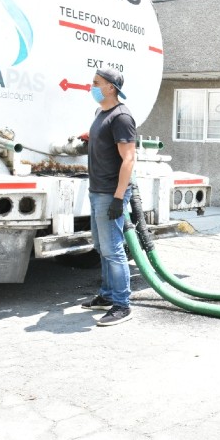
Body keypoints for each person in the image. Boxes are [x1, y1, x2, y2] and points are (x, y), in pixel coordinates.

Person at [81, 68, 136, 326]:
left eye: (96, 83)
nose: (91, 87)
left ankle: (122, 304)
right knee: (101, 248)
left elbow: (129, 159)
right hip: (96, 191)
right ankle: (106, 294)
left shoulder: (121, 117)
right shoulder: (100, 114)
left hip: (109, 193)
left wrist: (118, 198)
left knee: (113, 250)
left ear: (111, 87)